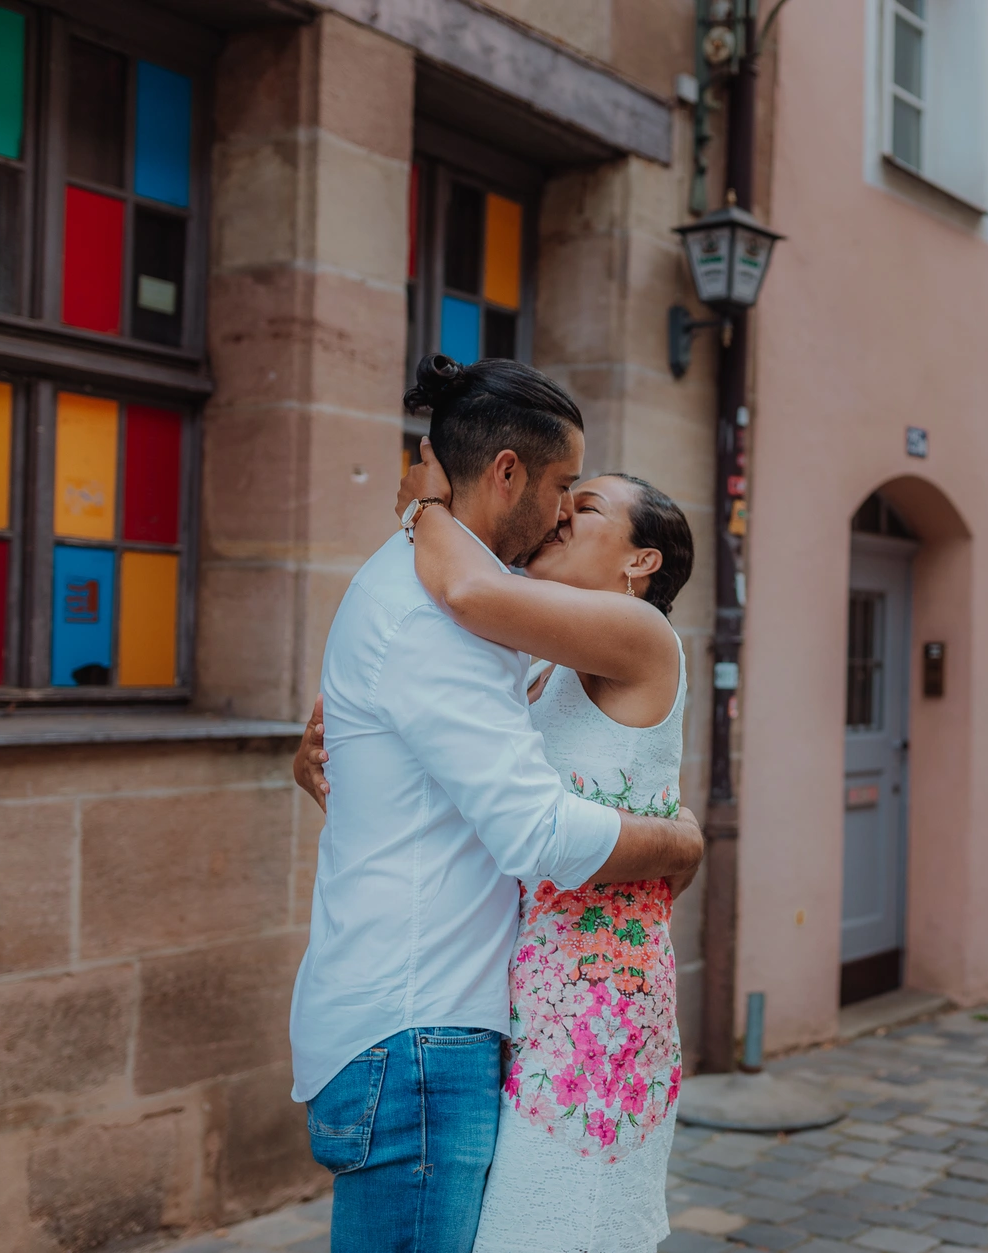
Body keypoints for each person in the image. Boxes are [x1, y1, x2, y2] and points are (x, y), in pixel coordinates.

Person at [288, 356, 704, 1253]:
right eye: (565, 489)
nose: (562, 512)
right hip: (446, 1026)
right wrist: (676, 842)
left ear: (643, 561)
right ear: (509, 471)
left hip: (565, 1003)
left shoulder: (594, 629)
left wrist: (426, 507)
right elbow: (524, 825)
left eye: (585, 505)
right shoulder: (469, 622)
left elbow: (477, 606)